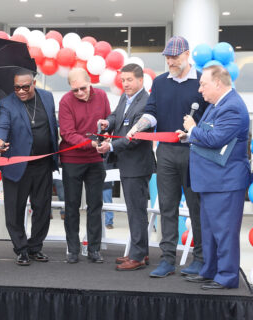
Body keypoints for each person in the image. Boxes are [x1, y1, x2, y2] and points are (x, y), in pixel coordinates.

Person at [126, 36, 208, 278]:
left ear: (187, 54)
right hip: (166, 153)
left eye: (175, 56)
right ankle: (168, 260)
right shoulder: (160, 83)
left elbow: (211, 117)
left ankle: (200, 259)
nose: (171, 61)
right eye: (168, 57)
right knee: (167, 207)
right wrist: (138, 126)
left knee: (196, 207)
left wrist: (195, 130)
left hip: (195, 152)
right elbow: (151, 112)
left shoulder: (202, 81)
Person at [178, 65, 250, 289]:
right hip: (212, 181)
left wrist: (192, 130)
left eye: (203, 84)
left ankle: (227, 277)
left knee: (224, 232)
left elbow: (215, 138)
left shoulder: (233, 107)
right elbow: (207, 134)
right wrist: (191, 135)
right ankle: (210, 270)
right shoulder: (217, 105)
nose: (200, 90)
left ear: (218, 83)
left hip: (225, 182)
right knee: (209, 231)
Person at [0, 69, 59, 266]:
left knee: (42, 208)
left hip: (43, 165)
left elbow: (52, 125)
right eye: (17, 87)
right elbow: (2, 125)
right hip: (17, 166)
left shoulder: (47, 98)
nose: (21, 91)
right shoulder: (7, 103)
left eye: (25, 87)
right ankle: (21, 249)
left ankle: (35, 247)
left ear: (34, 84)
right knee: (14, 209)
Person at [97, 63, 156, 271]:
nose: (125, 84)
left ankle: (137, 256)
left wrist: (110, 145)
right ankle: (141, 252)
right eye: (123, 80)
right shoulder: (126, 97)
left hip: (138, 165)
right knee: (134, 210)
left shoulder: (147, 103)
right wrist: (108, 122)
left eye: (130, 80)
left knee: (136, 211)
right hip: (127, 164)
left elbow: (135, 138)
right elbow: (117, 116)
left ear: (141, 80)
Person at [58, 68, 110, 264]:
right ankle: (73, 249)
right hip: (72, 159)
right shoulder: (65, 101)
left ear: (90, 82)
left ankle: (94, 249)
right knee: (71, 206)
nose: (79, 92)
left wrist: (105, 136)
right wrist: (91, 143)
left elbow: (108, 122)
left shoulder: (103, 95)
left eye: (83, 88)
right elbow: (67, 134)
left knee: (95, 205)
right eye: (75, 90)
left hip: (95, 159)